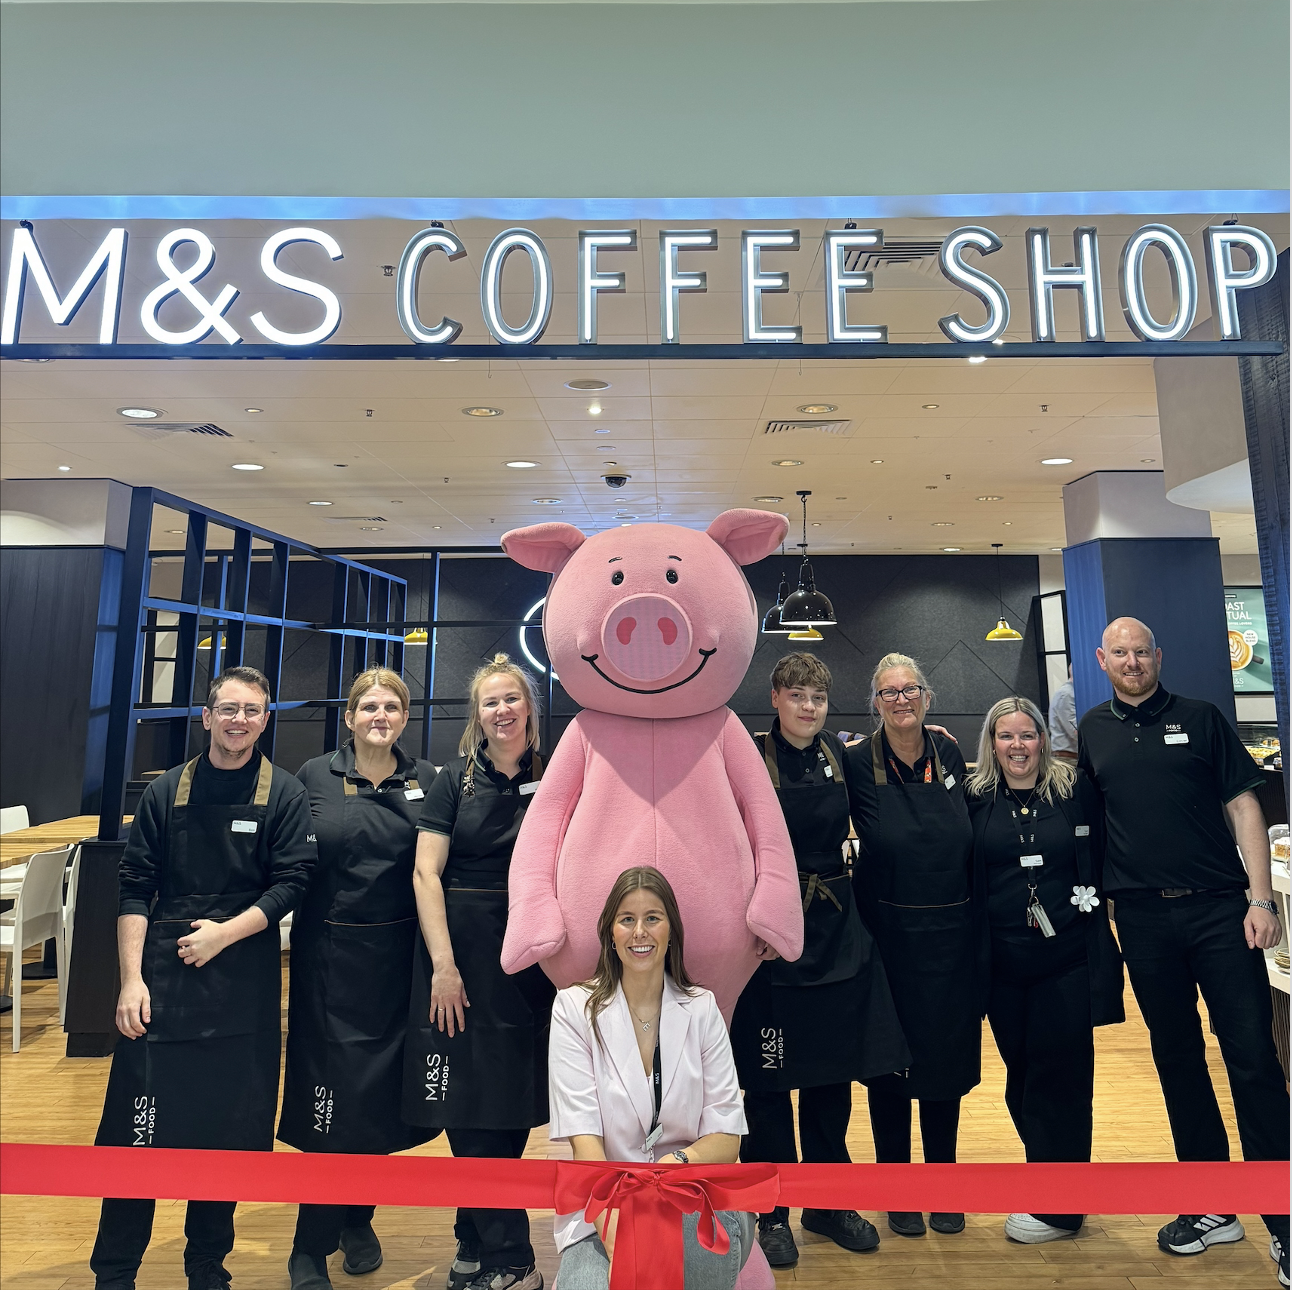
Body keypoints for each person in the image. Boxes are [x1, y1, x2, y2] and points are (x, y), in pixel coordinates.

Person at [90, 666, 315, 1290]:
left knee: (229, 1136)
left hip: (242, 990)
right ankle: (114, 1272)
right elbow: (135, 887)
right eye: (228, 709)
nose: (239, 720)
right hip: (162, 987)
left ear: (265, 719)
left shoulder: (285, 794)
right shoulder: (166, 792)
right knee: (137, 1134)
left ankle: (207, 1265)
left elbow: (292, 882)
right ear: (207, 715)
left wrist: (224, 933)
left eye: (251, 710)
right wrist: (130, 980)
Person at [1077, 617, 1289, 1281]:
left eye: (1142, 652)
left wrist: (1261, 899)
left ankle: (1283, 1220)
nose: (1133, 662)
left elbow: (1246, 809)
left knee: (1252, 1059)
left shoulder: (1202, 719)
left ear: (1158, 656)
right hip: (1143, 922)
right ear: (1102, 659)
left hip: (1222, 914)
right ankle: (1212, 1205)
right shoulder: (1092, 731)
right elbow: (1094, 823)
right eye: (1121, 653)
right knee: (1177, 1060)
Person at [730, 652, 908, 1267]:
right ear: (776, 697)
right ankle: (770, 1212)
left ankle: (828, 1203)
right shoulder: (748, 755)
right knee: (769, 1083)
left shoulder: (843, 754)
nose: (809, 708)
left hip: (837, 929)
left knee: (833, 1078)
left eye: (819, 698)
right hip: (770, 938)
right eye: (798, 696)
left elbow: (894, 793)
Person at [277, 668, 440, 1289]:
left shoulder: (426, 781)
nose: (380, 715)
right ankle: (307, 1246)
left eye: (391, 706)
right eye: (368, 706)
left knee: (375, 1106)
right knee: (329, 1109)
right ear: (349, 717)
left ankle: (356, 1219)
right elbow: (286, 862)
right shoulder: (313, 778)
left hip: (397, 965)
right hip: (327, 965)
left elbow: (438, 873)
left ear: (403, 717)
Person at [402, 654, 556, 1290]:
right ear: (478, 716)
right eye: (490, 702)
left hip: (532, 959)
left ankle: (475, 1232)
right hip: (460, 957)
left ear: (528, 709)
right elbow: (425, 872)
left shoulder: (556, 774)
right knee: (468, 1101)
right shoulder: (451, 782)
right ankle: (511, 1254)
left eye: (512, 700)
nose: (502, 711)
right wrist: (443, 964)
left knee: (513, 1100)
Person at [549, 865, 758, 1290]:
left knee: (695, 1264)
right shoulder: (572, 1009)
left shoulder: (702, 1008)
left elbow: (726, 1136)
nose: (639, 932)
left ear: (670, 930)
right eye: (627, 919)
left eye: (653, 918)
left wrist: (674, 1166)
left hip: (696, 1195)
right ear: (610, 932)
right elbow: (584, 1140)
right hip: (603, 1204)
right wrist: (624, 1236)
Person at [965, 696, 1124, 1245]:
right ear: (991, 743)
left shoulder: (1075, 791)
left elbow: (1106, 850)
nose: (1017, 746)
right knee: (1023, 1080)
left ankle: (1062, 1210)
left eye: (1027, 735)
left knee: (1063, 1080)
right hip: (1003, 969)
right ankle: (1051, 1185)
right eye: (1005, 736)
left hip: (1067, 963)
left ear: (1042, 739)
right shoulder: (974, 798)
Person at [844, 652, 978, 1239]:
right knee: (888, 1067)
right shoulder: (853, 762)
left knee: (942, 1067)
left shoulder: (948, 752)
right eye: (889, 692)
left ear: (926, 696)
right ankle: (897, 1190)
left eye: (911, 690)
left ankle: (943, 1187)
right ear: (875, 702)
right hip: (886, 940)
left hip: (950, 939)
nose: (901, 700)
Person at [1048, 664, 1078, 762]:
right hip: (1066, 758)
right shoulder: (1067, 694)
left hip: (1072, 756)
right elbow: (1075, 731)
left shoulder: (1073, 692)